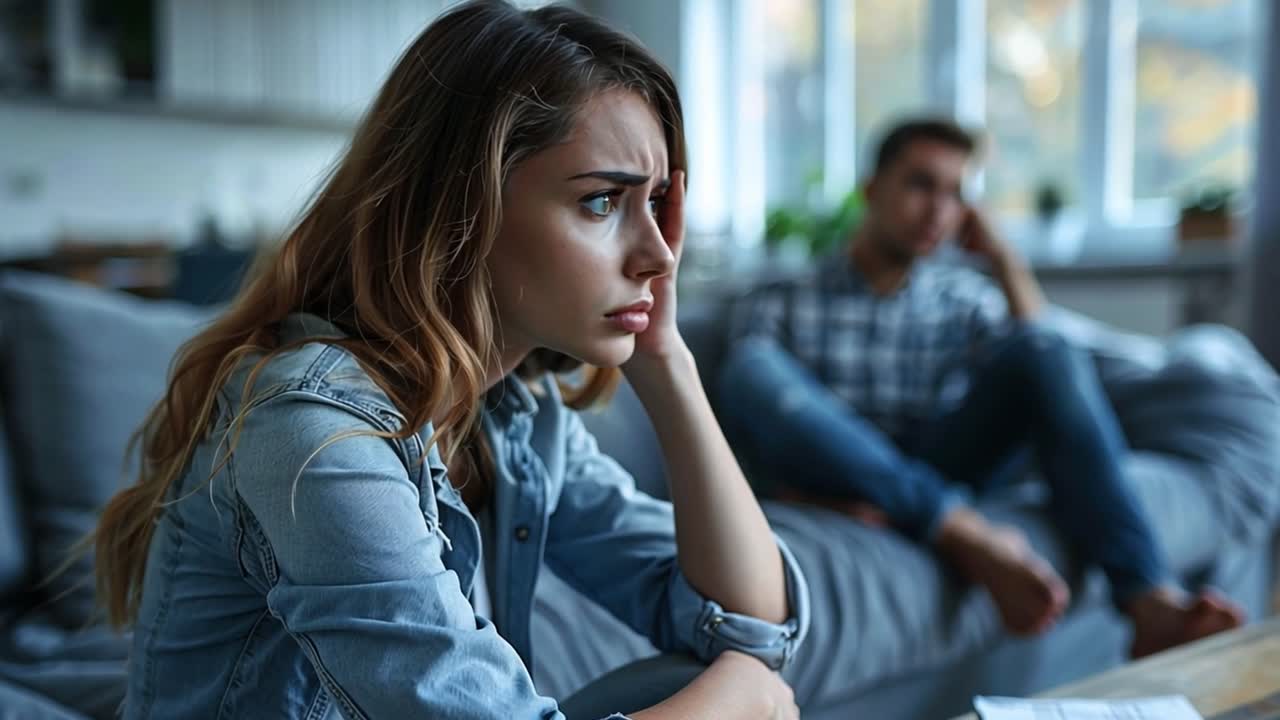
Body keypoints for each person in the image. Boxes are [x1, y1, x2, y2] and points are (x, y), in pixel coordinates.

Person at [89, 2, 809, 718]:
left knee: (706, 685)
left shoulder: (512, 418)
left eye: (655, 203)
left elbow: (750, 627)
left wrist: (666, 360)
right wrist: (749, 697)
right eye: (600, 202)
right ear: (464, 207)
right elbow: (751, 670)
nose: (658, 255)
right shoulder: (310, 431)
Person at [718, 117, 1241, 658]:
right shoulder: (782, 296)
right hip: (836, 473)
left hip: (937, 461)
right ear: (872, 190)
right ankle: (961, 530)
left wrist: (1004, 260)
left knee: (1043, 349)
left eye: (956, 195)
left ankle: (1148, 599)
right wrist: (812, 494)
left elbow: (1050, 369)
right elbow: (752, 421)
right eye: (921, 185)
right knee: (751, 369)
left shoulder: (963, 300)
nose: (939, 211)